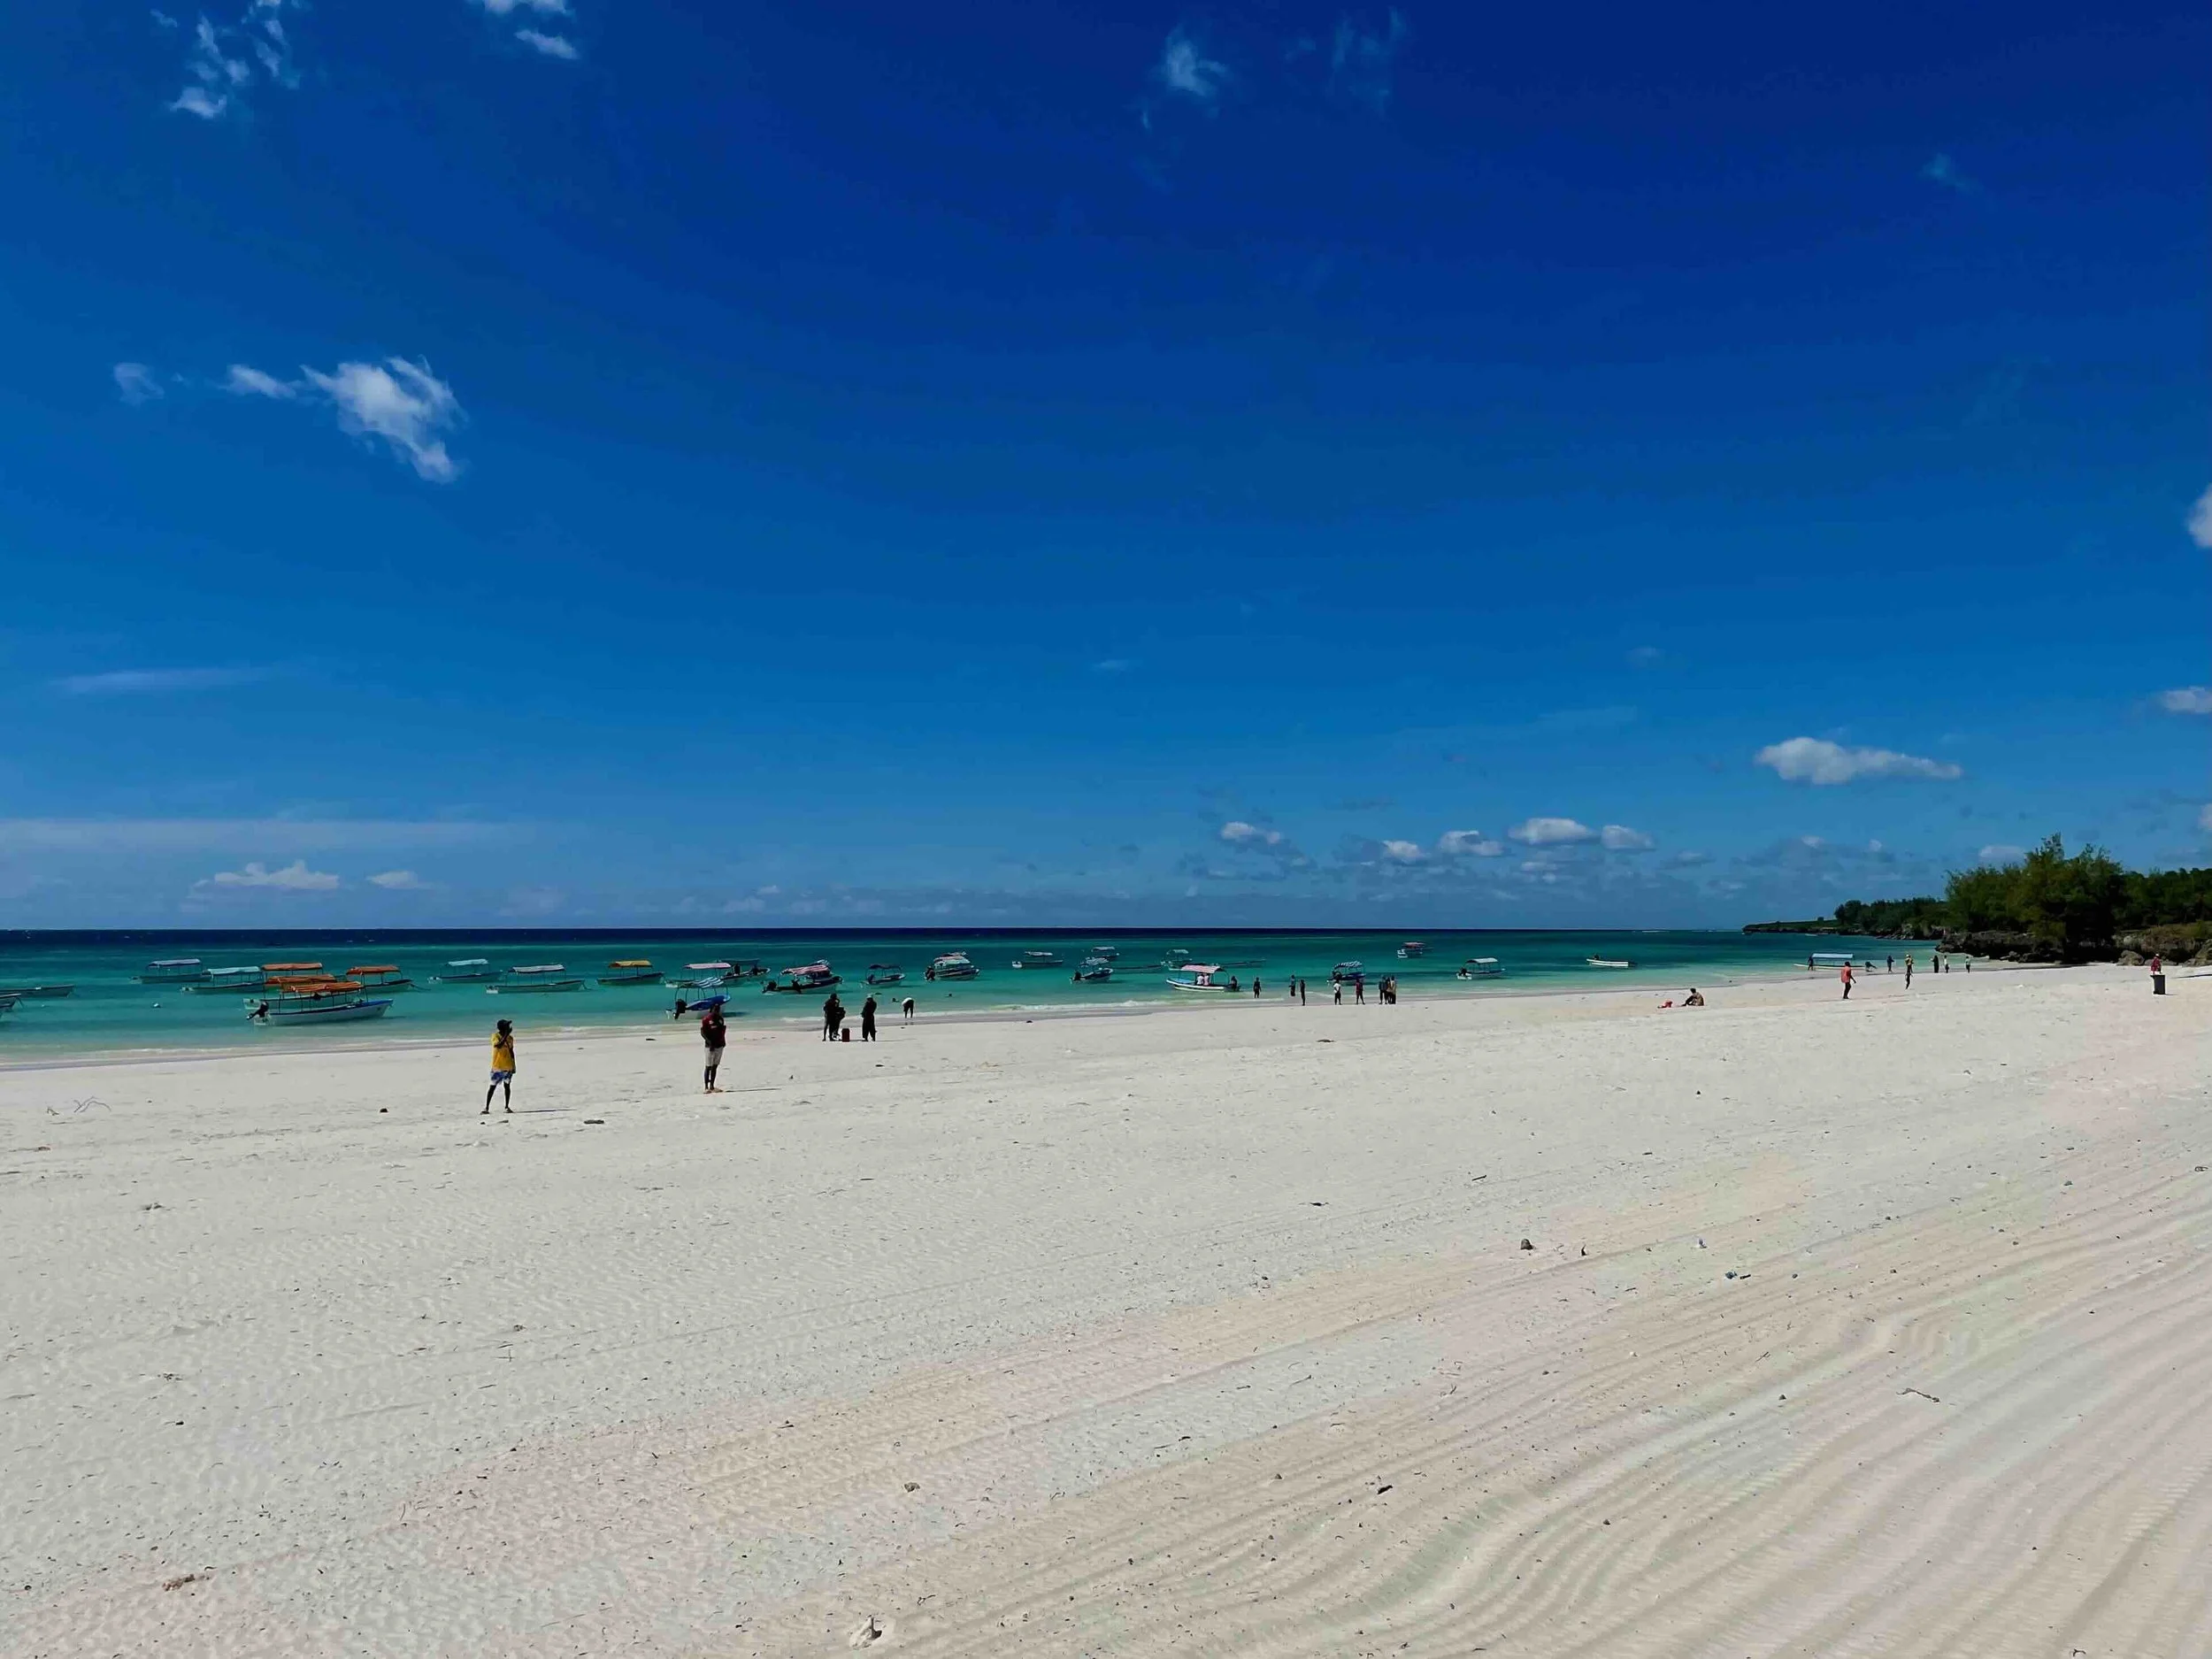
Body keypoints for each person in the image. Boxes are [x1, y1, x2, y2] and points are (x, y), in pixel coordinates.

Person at [485, 1018, 516, 1113]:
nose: (508, 1027)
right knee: (492, 1087)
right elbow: (498, 1045)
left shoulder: (510, 1038)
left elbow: (511, 1051)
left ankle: (507, 1106)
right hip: (497, 1067)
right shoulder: (495, 1036)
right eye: (506, 1026)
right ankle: (486, 1107)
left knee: (507, 1086)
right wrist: (506, 1035)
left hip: (508, 1066)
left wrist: (514, 1065)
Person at [700, 1007, 726, 1093]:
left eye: (718, 1009)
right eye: (715, 1009)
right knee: (708, 1066)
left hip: (719, 1045)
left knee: (715, 1066)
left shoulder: (720, 1019)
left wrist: (723, 1041)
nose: (717, 1011)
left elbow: (722, 1031)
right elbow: (703, 1032)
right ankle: (706, 1087)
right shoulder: (706, 1019)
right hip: (710, 1046)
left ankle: (712, 1086)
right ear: (711, 1010)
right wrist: (709, 1042)